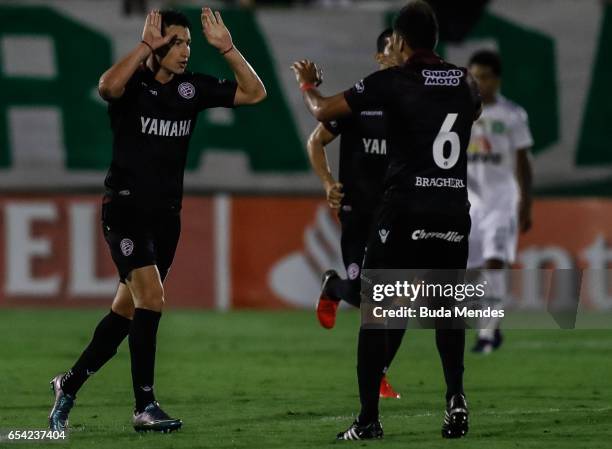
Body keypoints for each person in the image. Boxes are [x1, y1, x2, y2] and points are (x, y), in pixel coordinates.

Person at [48, 7, 266, 433]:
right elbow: (106, 86)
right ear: (155, 42)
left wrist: (229, 49)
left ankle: (68, 383)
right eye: (175, 42)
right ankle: (144, 406)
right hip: (125, 211)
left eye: (187, 42)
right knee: (152, 298)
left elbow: (255, 93)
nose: (184, 51)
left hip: (167, 218)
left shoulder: (190, 90)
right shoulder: (131, 86)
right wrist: (144, 46)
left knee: (123, 316)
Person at [292, 0, 481, 440]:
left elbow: (322, 111)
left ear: (399, 40)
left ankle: (368, 421)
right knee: (447, 309)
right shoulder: (464, 80)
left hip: (404, 210)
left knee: (377, 313)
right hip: (453, 210)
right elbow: (472, 115)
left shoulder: (393, 82)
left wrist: (306, 85)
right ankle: (456, 400)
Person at [307, 28, 401, 400]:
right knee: (370, 295)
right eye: (396, 48)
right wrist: (328, 181)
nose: (403, 54)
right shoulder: (361, 100)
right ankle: (335, 286)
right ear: (381, 57)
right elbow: (316, 141)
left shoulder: (414, 104)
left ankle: (379, 372)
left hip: (397, 213)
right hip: (359, 212)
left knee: (400, 299)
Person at [466, 49, 533, 353]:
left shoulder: (512, 114)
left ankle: (487, 334)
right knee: (471, 271)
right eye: (474, 76)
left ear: (497, 79)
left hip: (502, 201)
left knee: (494, 264)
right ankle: (488, 324)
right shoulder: (461, 113)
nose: (479, 82)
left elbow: (523, 161)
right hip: (469, 204)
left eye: (485, 76)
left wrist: (525, 203)